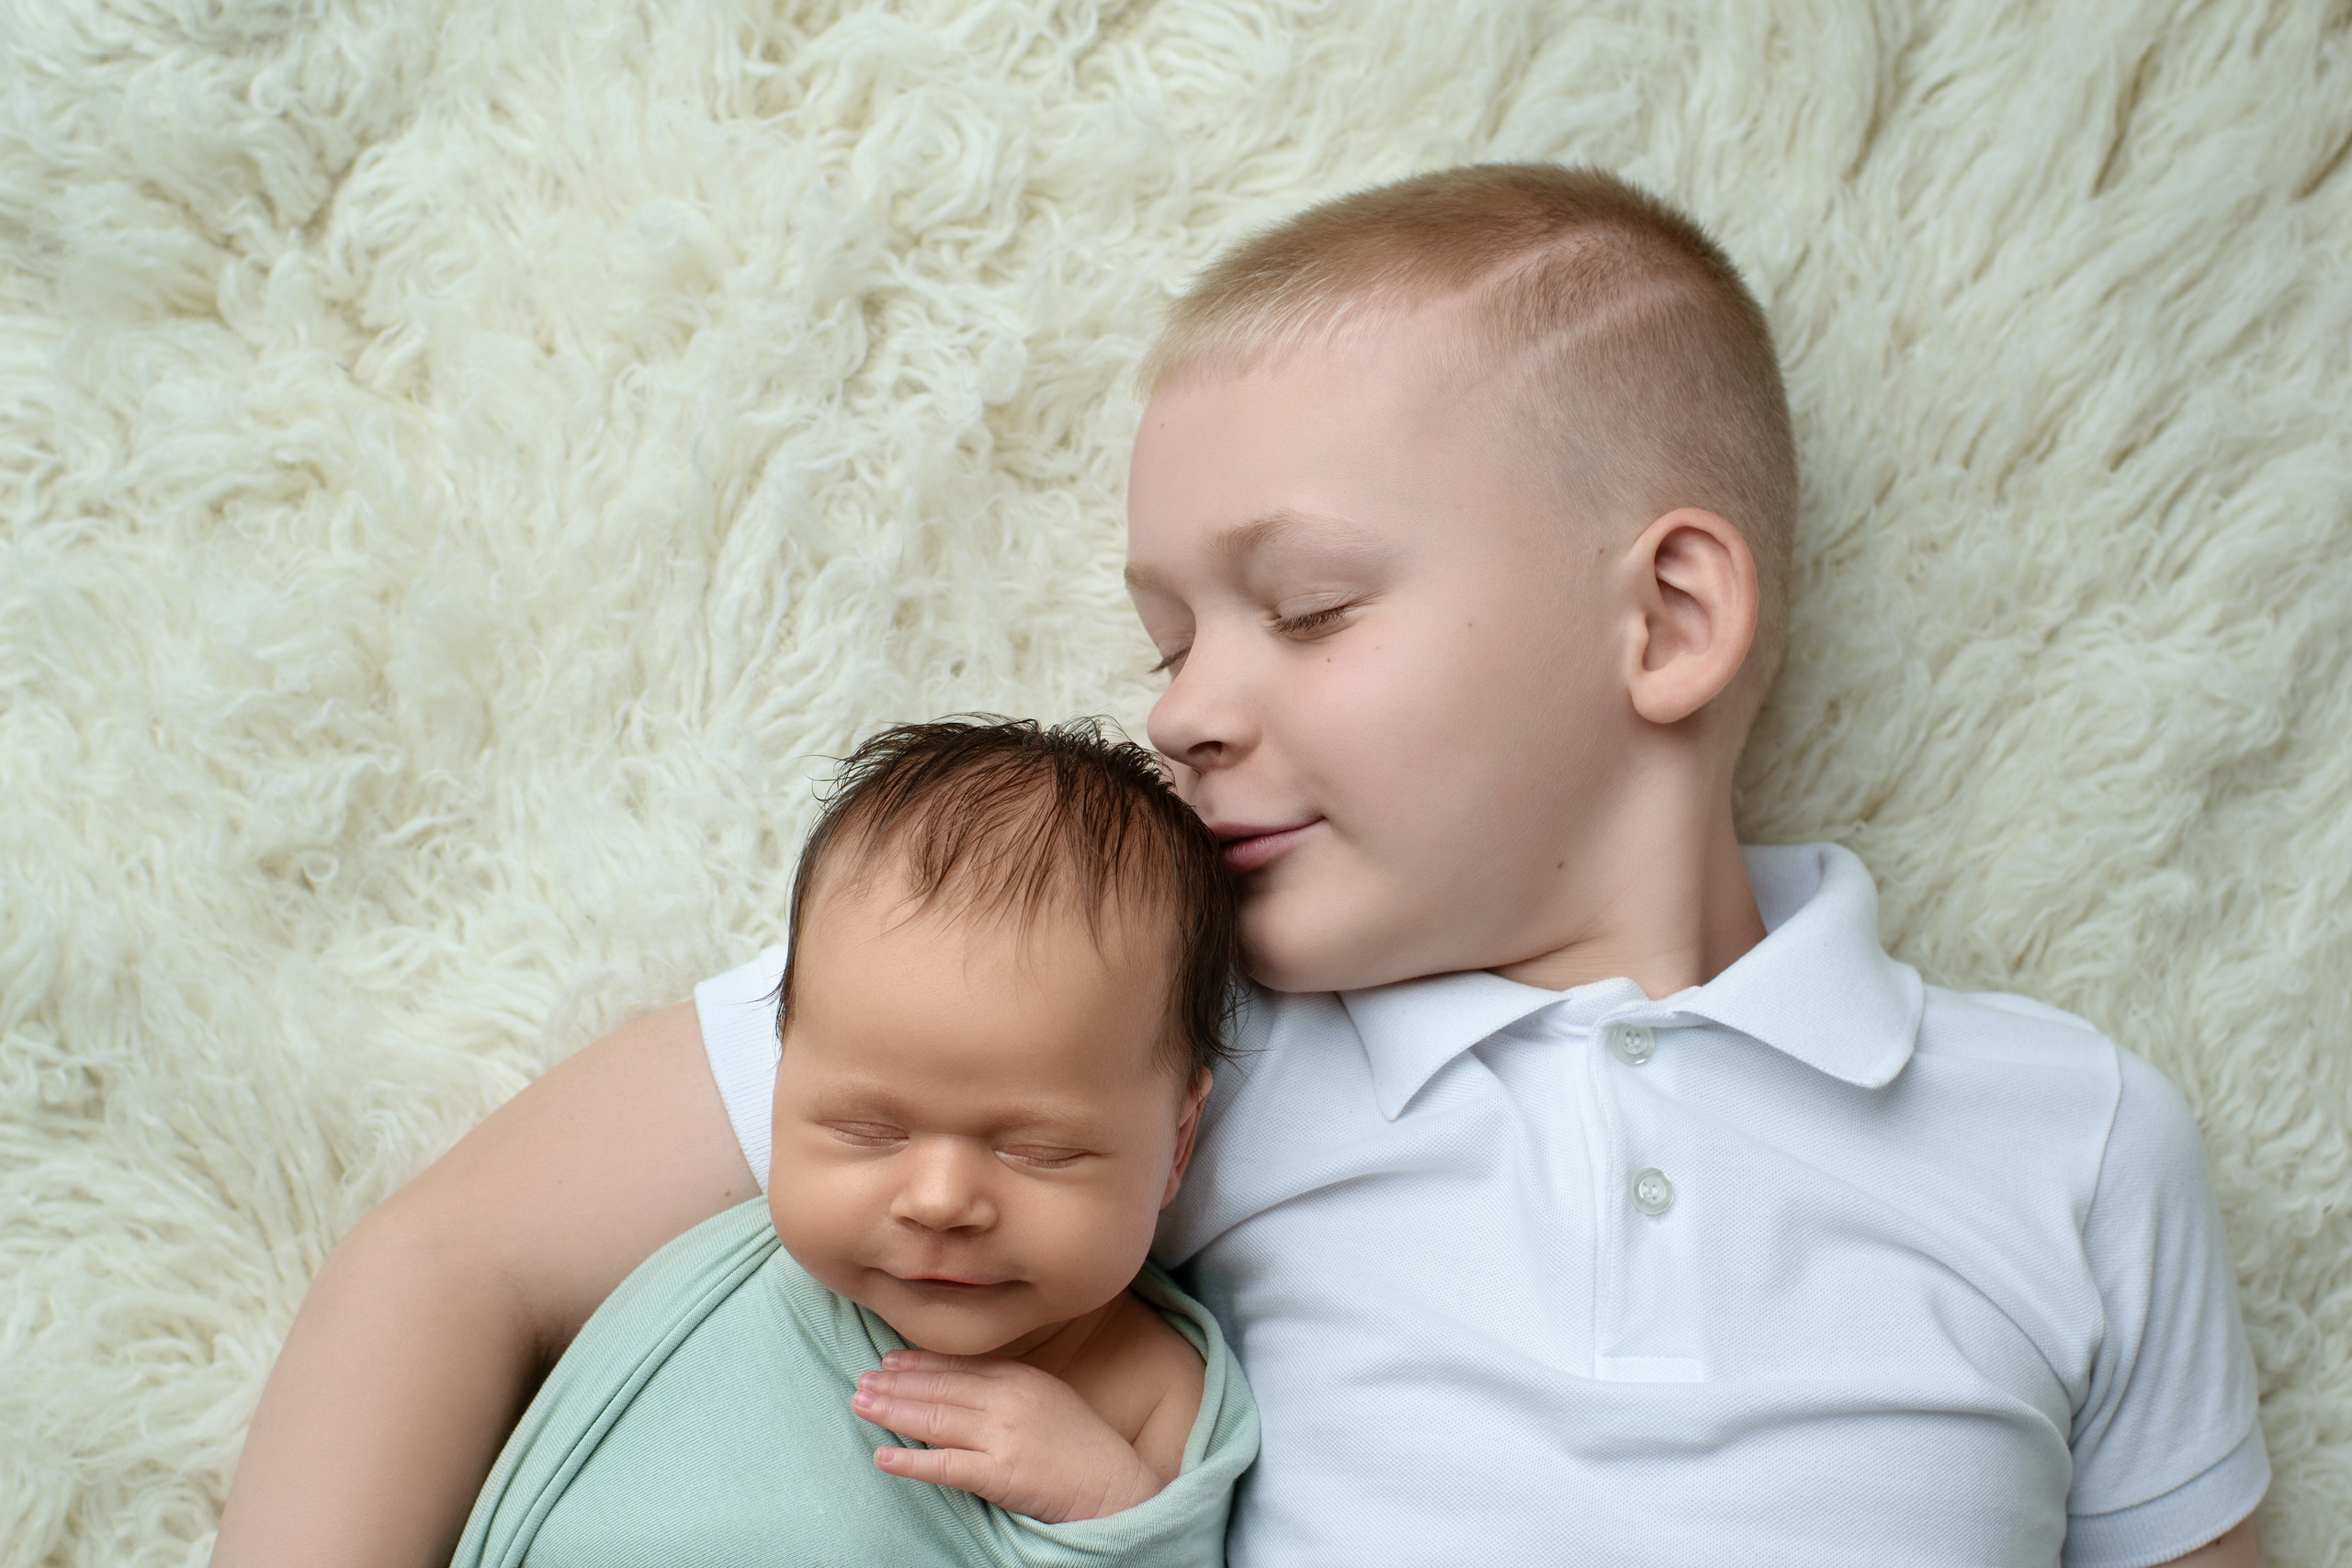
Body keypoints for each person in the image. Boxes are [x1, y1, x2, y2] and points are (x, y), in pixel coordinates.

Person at [215, 164, 2266, 1567]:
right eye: (1165, 636)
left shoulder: (2065, 1139)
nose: (1184, 710)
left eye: (1302, 606)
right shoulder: (1134, 1021)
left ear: (1661, 621)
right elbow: (451, 1259)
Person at [453, 717, 1257, 1566]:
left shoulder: (1153, 1397)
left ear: (1175, 1144)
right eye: (867, 1130)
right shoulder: (713, 1291)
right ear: (781, 1074)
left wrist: (1108, 1507)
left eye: (1040, 1149)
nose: (941, 1199)